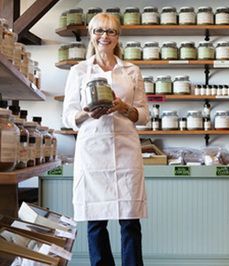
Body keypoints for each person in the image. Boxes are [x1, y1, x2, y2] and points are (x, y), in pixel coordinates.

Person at [62, 12, 149, 266]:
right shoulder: (79, 70)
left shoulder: (131, 71)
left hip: (126, 149)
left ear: (118, 36)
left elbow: (143, 114)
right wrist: (85, 113)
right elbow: (67, 115)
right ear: (91, 34)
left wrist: (124, 108)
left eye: (111, 31)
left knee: (130, 221)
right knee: (96, 221)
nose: (104, 36)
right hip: (93, 150)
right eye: (99, 31)